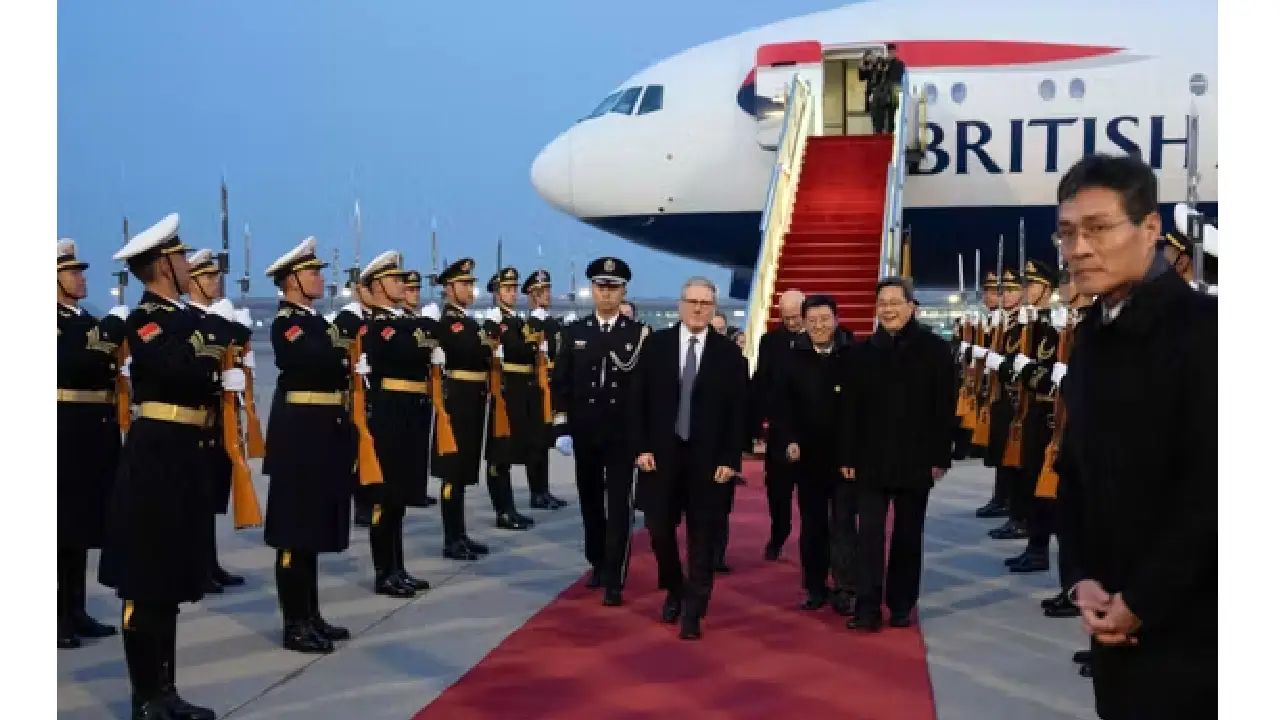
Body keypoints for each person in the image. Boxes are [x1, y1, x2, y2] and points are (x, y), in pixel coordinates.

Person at [1053, 153, 1216, 719]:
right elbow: (1074, 472)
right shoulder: (1094, 336)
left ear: (1150, 229)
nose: (1078, 249)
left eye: (1098, 229)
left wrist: (1142, 601)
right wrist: (1079, 578)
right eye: (1068, 232)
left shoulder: (1205, 334)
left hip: (1195, 633)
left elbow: (1213, 492)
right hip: (1111, 622)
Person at [98, 213, 229, 720]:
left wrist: (207, 349)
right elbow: (180, 366)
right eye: (178, 257)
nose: (186, 263)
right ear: (161, 265)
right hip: (156, 454)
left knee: (169, 581)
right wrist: (209, 348)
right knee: (145, 579)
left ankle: (167, 692)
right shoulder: (146, 319)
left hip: (185, 453)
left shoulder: (185, 318)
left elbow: (210, 352)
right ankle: (145, 697)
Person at [632, 276, 747, 640]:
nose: (698, 308)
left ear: (714, 308)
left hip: (709, 462)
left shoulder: (729, 355)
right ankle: (675, 588)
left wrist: (731, 459)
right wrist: (641, 447)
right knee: (658, 530)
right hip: (661, 457)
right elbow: (639, 402)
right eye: (692, 301)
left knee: (703, 537)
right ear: (680, 304)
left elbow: (737, 414)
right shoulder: (656, 346)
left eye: (705, 303)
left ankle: (694, 610)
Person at [841, 277, 954, 631]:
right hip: (870, 461)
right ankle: (867, 606)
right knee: (869, 536)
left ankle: (902, 604)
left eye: (895, 302)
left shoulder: (935, 350)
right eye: (882, 303)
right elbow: (850, 410)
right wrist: (847, 457)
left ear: (911, 306)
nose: (888, 309)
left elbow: (944, 407)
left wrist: (940, 456)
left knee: (908, 536)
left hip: (916, 460)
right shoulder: (861, 353)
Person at [262, 237, 356, 653]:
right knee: (292, 533)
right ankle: (293, 623)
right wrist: (343, 349)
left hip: (321, 433)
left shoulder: (317, 322)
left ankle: (310, 614)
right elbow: (315, 358)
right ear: (292, 280)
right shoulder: (288, 323)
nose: (320, 277)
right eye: (312, 271)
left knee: (312, 531)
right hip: (298, 436)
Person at [551, 257, 647, 606]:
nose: (607, 294)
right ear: (593, 289)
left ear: (624, 291)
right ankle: (597, 561)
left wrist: (643, 437)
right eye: (601, 287)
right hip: (586, 432)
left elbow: (642, 391)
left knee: (620, 506)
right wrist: (561, 425)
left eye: (614, 287)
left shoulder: (637, 334)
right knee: (591, 502)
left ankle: (615, 577)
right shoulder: (575, 332)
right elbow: (560, 382)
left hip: (621, 436)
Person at [771, 295, 858, 615]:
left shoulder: (853, 355)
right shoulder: (792, 358)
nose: (819, 326)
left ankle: (846, 587)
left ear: (836, 320)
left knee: (845, 524)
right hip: (808, 457)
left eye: (825, 319)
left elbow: (860, 410)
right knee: (813, 525)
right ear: (804, 324)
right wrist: (789, 440)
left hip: (846, 457)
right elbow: (782, 406)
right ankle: (815, 586)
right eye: (813, 321)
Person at [57, 239, 124, 649]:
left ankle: (75, 610)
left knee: (80, 525)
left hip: (93, 426)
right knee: (60, 527)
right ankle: (56, 616)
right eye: (73, 271)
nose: (82, 278)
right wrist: (109, 334)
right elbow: (71, 362)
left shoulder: (81, 319)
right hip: (64, 426)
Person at [360, 250, 435, 595]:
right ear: (377, 285)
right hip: (389, 410)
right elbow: (411, 350)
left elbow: (427, 341)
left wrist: (422, 338)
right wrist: (422, 340)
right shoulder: (378, 324)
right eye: (394, 279)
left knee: (400, 497)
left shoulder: (402, 321)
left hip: (410, 409)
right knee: (384, 497)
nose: (402, 284)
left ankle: (398, 567)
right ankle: (383, 571)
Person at [985, 259, 1060, 575]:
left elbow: (1042, 368)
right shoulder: (1033, 323)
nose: (1026, 290)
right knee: (1027, 477)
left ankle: (1038, 544)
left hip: (1047, 410)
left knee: (1040, 483)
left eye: (1031, 285)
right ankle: (1034, 543)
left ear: (1047, 288)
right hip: (1026, 406)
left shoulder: (1053, 324)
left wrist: (1022, 368)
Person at [183, 248, 249, 593]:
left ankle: (209, 562)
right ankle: (196, 566)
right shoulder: (190, 320)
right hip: (198, 419)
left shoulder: (215, 316)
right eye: (207, 277)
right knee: (196, 498)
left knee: (209, 495)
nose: (215, 281)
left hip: (218, 419)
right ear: (192, 282)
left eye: (215, 275)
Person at [432, 258, 494, 561]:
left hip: (472, 398)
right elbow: (473, 351)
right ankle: (450, 538)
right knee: (452, 473)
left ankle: (460, 533)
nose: (470, 289)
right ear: (448, 288)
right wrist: (486, 348)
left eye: (471, 283)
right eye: (464, 284)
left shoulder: (468, 322)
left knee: (464, 470)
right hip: (458, 399)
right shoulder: (451, 323)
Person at [478, 267, 537, 531]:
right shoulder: (494, 322)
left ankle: (510, 507)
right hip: (505, 389)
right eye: (507, 289)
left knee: (511, 451)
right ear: (496, 293)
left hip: (520, 389)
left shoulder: (517, 320)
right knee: (499, 454)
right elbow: (516, 349)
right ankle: (502, 510)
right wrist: (530, 345)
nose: (512, 293)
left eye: (514, 289)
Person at [751, 288, 806, 561]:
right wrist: (755, 425)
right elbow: (761, 382)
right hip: (780, 427)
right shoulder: (770, 342)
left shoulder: (821, 338)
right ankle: (778, 533)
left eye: (796, 317)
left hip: (812, 430)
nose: (792, 323)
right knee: (777, 490)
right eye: (787, 318)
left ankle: (814, 544)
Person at [521, 268, 569, 510]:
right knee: (536, 443)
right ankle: (536, 492)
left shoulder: (551, 323)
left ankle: (544, 490)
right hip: (536, 388)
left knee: (545, 441)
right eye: (541, 292)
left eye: (548, 290)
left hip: (550, 384)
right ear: (532, 296)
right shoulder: (530, 325)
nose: (546, 295)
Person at [331, 282, 377, 527]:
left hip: (374, 392)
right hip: (356, 392)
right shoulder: (348, 319)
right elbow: (336, 353)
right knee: (358, 450)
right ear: (359, 290)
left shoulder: (375, 317)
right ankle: (362, 504)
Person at [402, 270, 439, 509]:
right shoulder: (402, 321)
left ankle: (417, 489)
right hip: (402, 391)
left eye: (417, 289)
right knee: (402, 447)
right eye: (409, 289)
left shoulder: (419, 318)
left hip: (422, 390)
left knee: (419, 445)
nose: (414, 294)